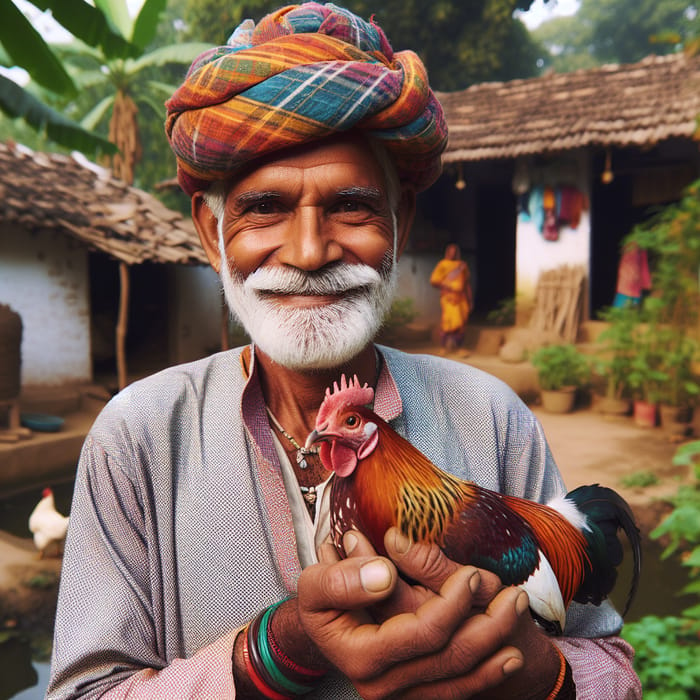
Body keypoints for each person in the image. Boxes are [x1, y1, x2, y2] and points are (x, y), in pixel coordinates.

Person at [47, 3, 641, 698]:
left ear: (400, 224)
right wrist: (275, 651)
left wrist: (540, 675)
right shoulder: (136, 438)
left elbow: (614, 673)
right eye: (264, 208)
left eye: (351, 207)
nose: (307, 252)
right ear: (211, 237)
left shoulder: (491, 414)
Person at [430, 243, 472, 356]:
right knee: (448, 322)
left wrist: (470, 299)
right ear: (447, 252)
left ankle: (460, 348)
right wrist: (447, 285)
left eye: (455, 251)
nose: (453, 253)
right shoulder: (442, 264)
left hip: (461, 297)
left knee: (461, 324)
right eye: (451, 251)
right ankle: (443, 348)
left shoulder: (462, 265)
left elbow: (466, 283)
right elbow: (434, 280)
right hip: (448, 297)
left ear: (457, 252)